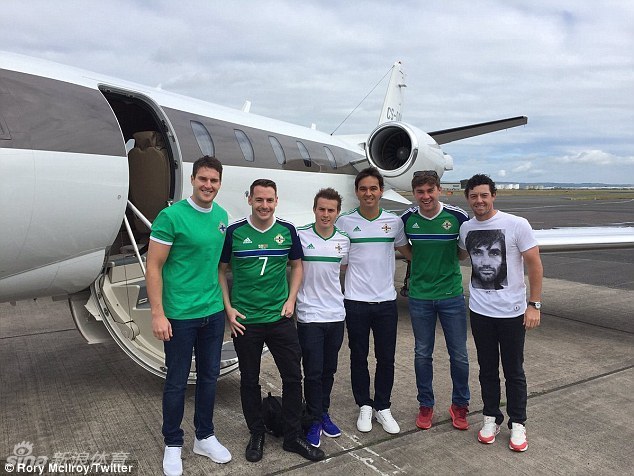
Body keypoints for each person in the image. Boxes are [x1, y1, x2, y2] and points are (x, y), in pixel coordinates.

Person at [218, 179, 325, 463]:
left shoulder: (287, 230)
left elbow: (297, 266)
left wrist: (291, 300)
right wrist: (229, 309)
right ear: (250, 200)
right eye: (259, 200)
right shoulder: (235, 232)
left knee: (293, 378)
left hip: (279, 319)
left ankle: (292, 436)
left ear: (276, 201)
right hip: (246, 321)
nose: (264, 205)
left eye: (269, 200)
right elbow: (220, 271)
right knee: (249, 380)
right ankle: (257, 433)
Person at [146, 156, 232, 476]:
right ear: (193, 179)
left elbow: (218, 265)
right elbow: (153, 266)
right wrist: (158, 314)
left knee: (209, 377)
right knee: (177, 381)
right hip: (180, 315)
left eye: (214, 180)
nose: (208, 185)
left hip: (212, 312)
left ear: (220, 183)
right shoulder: (171, 217)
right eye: (203, 179)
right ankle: (173, 442)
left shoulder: (221, 216)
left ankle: (204, 436)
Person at [459, 174, 543, 452]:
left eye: (484, 195)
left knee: (514, 370)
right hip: (480, 312)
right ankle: (491, 417)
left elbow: (535, 264)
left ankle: (517, 422)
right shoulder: (466, 228)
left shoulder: (517, 224)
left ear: (493, 196)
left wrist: (534, 304)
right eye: (474, 196)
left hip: (512, 313)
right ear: (468, 198)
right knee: (487, 369)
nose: (479, 201)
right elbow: (460, 254)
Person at [336, 167, 410, 434]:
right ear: (357, 192)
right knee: (359, 356)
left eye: (373, 188)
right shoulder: (344, 222)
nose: (368, 193)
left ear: (381, 191)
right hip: (355, 301)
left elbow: (409, 253)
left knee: (386, 357)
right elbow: (340, 261)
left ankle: (383, 406)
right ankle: (364, 405)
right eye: (363, 189)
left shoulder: (394, 222)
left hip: (386, 302)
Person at [400, 170, 471, 431]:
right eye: (420, 192)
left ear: (439, 190)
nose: (426, 196)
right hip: (420, 297)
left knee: (459, 355)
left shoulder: (457, 217)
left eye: (430, 191)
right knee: (422, 353)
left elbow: (462, 253)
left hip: (451, 296)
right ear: (414, 193)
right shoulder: (407, 219)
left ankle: (460, 405)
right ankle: (425, 404)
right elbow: (406, 250)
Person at [296, 188, 350, 448]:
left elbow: (342, 268)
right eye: (321, 209)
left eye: (331, 210)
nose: (325, 214)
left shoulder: (344, 240)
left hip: (336, 314)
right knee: (313, 371)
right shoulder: (300, 235)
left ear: (337, 212)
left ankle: (323, 411)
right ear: (314, 210)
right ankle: (314, 418)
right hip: (309, 315)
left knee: (329, 369)